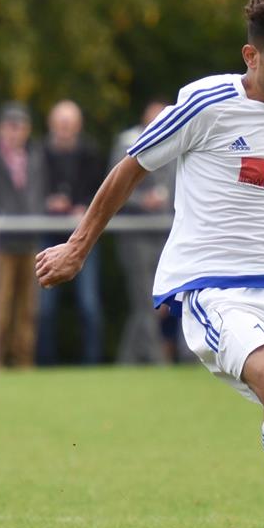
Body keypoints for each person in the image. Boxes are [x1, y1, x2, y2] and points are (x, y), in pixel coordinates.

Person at [36, 0, 264, 528]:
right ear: (251, 56)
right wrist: (77, 247)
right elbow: (130, 168)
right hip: (213, 289)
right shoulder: (206, 102)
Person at [0, 101, 47, 367]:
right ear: (0, 128)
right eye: (10, 126)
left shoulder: (35, 154)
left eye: (20, 126)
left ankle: (23, 363)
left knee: (27, 310)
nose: (15, 132)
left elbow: (40, 192)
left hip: (30, 240)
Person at [36, 100, 106, 365]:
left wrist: (84, 208)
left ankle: (93, 364)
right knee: (45, 308)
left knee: (89, 305)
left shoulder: (90, 152)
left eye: (70, 123)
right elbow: (33, 191)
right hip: (48, 234)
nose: (65, 128)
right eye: (61, 123)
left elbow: (100, 190)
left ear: (78, 126)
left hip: (82, 237)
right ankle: (44, 365)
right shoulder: (39, 154)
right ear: (52, 125)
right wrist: (47, 203)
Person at [110, 98, 174, 364]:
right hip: (135, 233)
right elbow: (115, 182)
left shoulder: (176, 139)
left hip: (166, 231)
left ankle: (125, 362)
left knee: (156, 304)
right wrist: (141, 200)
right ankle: (158, 361)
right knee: (145, 302)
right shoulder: (127, 141)